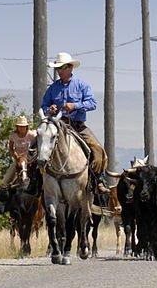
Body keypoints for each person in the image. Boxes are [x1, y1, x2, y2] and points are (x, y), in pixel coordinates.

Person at [42, 51, 110, 193]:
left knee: (98, 149)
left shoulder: (81, 85)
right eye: (58, 68)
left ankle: (99, 179)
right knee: (38, 146)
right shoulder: (53, 88)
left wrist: (75, 106)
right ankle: (35, 182)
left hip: (77, 125)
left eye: (62, 68)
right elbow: (43, 105)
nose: (60, 71)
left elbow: (92, 103)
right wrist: (49, 108)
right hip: (58, 125)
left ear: (70, 68)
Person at [0, 115, 37, 214]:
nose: (21, 128)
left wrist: (31, 157)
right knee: (5, 182)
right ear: (17, 127)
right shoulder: (13, 136)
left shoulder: (32, 135)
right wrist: (16, 157)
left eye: (23, 126)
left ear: (26, 127)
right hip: (18, 161)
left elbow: (37, 145)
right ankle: (2, 204)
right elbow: (11, 148)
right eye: (19, 126)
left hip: (30, 161)